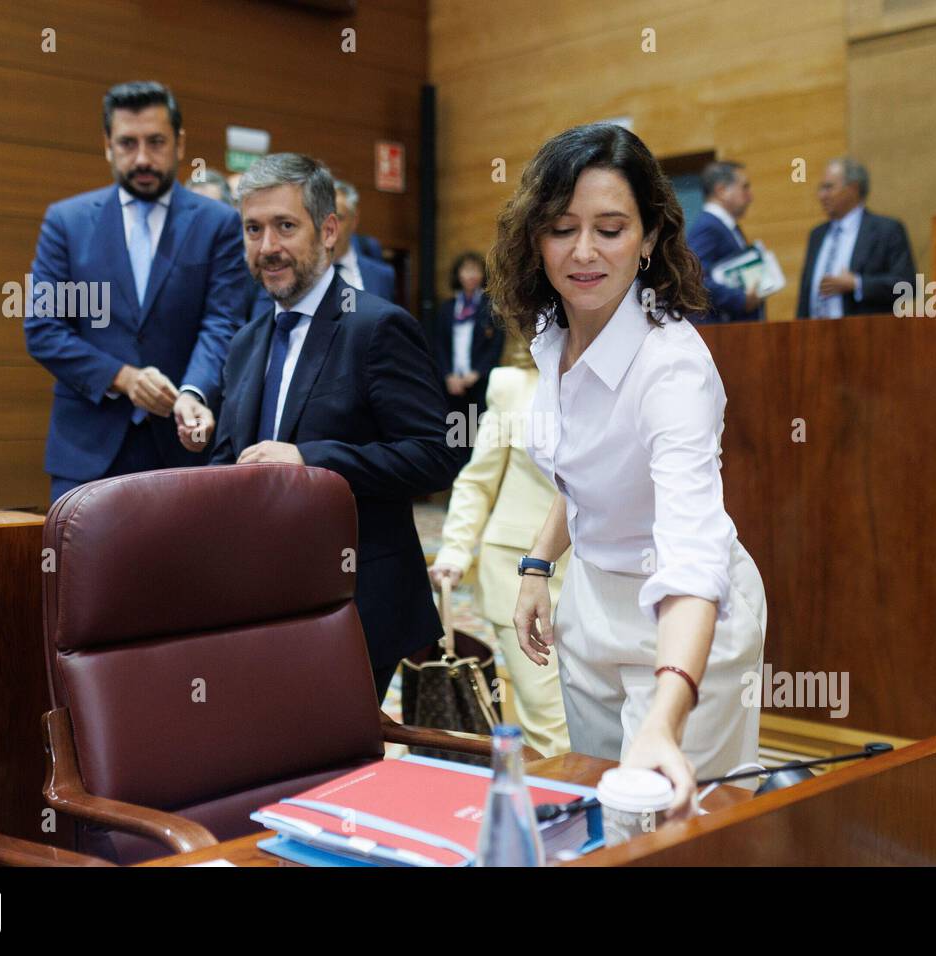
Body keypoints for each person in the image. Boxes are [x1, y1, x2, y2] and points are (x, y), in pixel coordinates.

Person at [491, 123, 767, 812]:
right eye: (561, 227)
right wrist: (537, 565)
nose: (583, 251)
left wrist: (666, 717)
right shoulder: (553, 332)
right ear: (536, 237)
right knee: (599, 816)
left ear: (647, 239)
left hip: (683, 619)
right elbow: (585, 472)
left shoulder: (670, 368)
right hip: (590, 606)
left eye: (610, 229)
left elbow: (690, 561)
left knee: (668, 829)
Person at [211, 153, 458, 702]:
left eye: (285, 226)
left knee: (337, 764)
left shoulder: (376, 326)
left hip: (356, 599)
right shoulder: (246, 342)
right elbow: (232, 459)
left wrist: (312, 460)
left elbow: (436, 455)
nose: (267, 246)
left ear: (327, 231)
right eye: (254, 229)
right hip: (265, 597)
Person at [25, 81, 250, 502]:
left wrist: (192, 392)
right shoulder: (67, 223)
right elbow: (44, 328)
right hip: (87, 452)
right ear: (107, 146)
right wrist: (124, 378)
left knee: (185, 569)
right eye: (128, 143)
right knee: (83, 569)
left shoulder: (217, 223)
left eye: (156, 142)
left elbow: (221, 322)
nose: (143, 158)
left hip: (184, 445)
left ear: (181, 144)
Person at [429, 336, 570, 757]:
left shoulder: (627, 379)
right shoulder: (513, 385)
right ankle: (563, 815)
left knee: (605, 712)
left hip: (605, 575)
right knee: (552, 721)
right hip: (519, 571)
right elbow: (478, 479)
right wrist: (455, 550)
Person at [795, 157, 916, 319]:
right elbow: (805, 296)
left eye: (828, 188)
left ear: (853, 189)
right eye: (820, 189)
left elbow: (907, 286)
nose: (821, 195)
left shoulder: (886, 231)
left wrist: (857, 284)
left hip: (866, 336)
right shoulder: (817, 235)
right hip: (815, 337)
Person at [434, 251, 505, 428]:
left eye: (476, 270)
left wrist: (477, 373)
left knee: (478, 434)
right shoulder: (448, 307)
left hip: (480, 382)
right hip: (451, 383)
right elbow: (438, 345)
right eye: (466, 270)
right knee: (453, 435)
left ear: (483, 274)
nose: (471, 275)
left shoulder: (491, 306)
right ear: (458, 274)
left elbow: (496, 345)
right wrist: (448, 376)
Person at [687, 161, 764, 323]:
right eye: (744, 187)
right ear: (721, 190)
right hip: (720, 333)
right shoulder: (708, 226)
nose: (750, 196)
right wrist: (741, 299)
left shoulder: (728, 226)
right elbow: (695, 279)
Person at [332, 181, 396, 301]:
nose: (330, 227)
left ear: (354, 221)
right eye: (324, 218)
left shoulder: (382, 276)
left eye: (339, 218)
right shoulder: (304, 273)